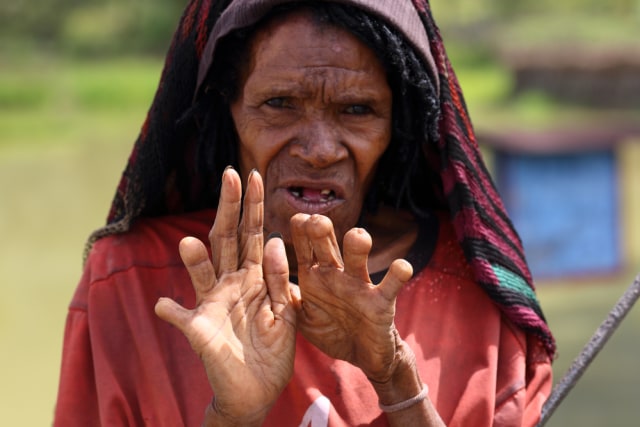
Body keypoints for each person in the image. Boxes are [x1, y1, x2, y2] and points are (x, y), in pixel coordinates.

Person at [54, 0, 556, 426]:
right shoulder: (131, 283)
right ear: (225, 108)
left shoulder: (478, 298)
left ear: (397, 124)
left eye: (357, 110)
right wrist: (232, 416)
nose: (319, 150)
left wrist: (397, 383)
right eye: (279, 103)